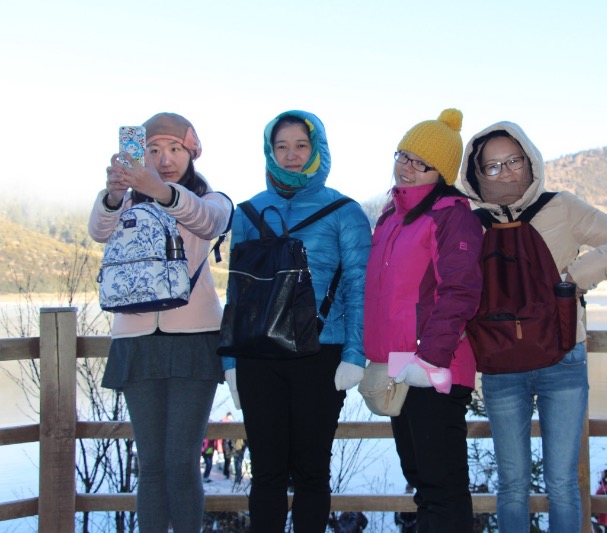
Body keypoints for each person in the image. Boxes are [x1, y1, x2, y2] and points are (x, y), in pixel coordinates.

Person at [460, 122, 607, 532]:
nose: (506, 172)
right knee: (512, 485)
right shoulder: (470, 223)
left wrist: (574, 278)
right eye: (493, 166)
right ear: (477, 173)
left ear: (530, 160)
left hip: (562, 358)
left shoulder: (561, 207)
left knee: (562, 483)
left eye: (514, 161)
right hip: (500, 367)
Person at [221, 110, 371, 532]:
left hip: (320, 355)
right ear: (270, 151)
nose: (291, 155)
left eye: (301, 145)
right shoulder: (248, 212)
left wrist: (354, 354)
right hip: (258, 356)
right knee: (266, 472)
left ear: (316, 149)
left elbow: (360, 286)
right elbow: (237, 292)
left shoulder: (345, 212)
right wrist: (230, 363)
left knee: (311, 472)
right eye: (281, 146)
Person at [88, 112, 233, 532]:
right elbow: (98, 231)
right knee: (150, 464)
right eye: (153, 149)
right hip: (135, 339)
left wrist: (161, 191)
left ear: (192, 153)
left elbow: (210, 221)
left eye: (175, 149)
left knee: (181, 460)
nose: (165, 159)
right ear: (140, 154)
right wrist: (115, 195)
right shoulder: (126, 202)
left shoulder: (211, 199)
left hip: (194, 339)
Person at [363, 109, 484, 532]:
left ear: (442, 174)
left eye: (421, 163)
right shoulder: (391, 216)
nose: (407, 168)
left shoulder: (452, 216)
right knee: (421, 478)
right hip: (401, 365)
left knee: (441, 487)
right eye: (404, 156)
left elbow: (460, 291)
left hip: (437, 367)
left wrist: (430, 359)